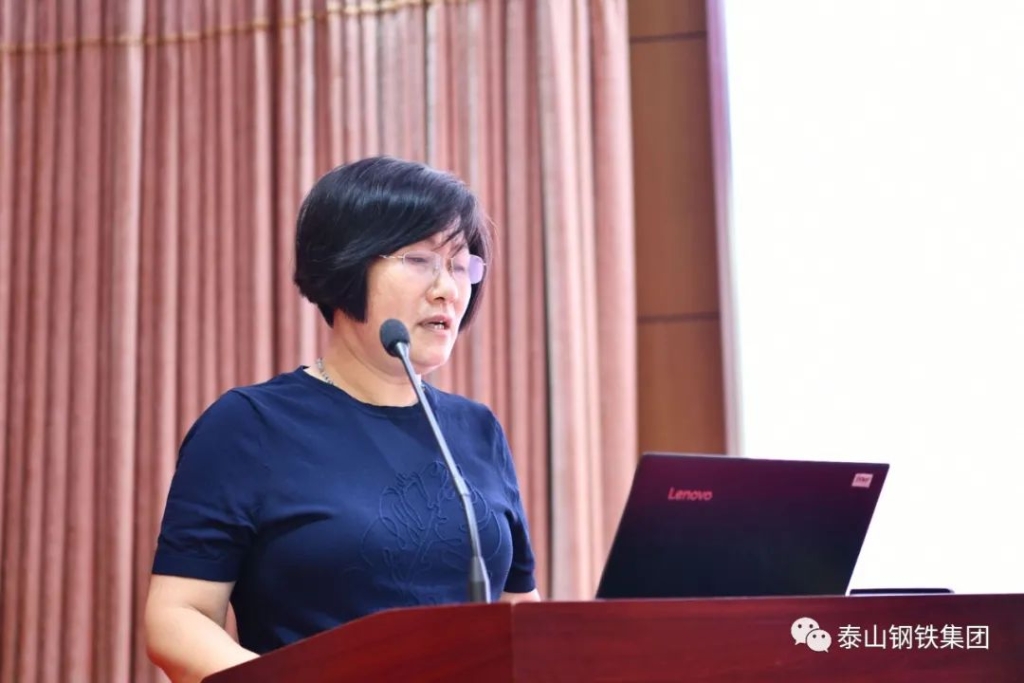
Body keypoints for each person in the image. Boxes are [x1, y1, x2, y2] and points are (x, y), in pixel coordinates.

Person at [144, 156, 540, 683]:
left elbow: (520, 614)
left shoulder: (476, 430)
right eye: (420, 260)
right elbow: (177, 618)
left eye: (461, 264)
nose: (449, 288)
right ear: (345, 263)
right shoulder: (249, 427)